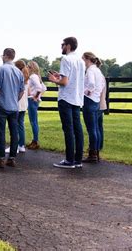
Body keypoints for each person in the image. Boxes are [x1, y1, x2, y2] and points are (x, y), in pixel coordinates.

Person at [48, 37, 85, 169]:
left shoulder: (66, 59)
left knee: (68, 129)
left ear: (68, 46)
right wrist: (60, 75)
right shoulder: (81, 61)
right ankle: (78, 160)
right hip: (77, 98)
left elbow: (64, 82)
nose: (61, 47)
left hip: (66, 98)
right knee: (78, 129)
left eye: (62, 45)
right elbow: (70, 78)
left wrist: (53, 80)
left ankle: (69, 160)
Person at [0, 48, 24, 168]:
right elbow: (22, 90)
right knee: (14, 132)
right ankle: (12, 158)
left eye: (2, 55)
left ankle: (0, 158)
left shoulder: (1, 69)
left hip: (2, 104)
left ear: (6, 56)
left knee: (1, 132)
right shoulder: (19, 72)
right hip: (14, 106)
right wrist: (15, 100)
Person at [81, 52, 105, 163]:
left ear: (87, 59)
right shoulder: (98, 70)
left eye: (83, 59)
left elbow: (91, 84)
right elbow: (101, 85)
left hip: (89, 100)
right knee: (96, 128)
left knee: (91, 128)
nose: (82, 61)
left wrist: (86, 92)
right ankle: (96, 152)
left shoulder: (90, 70)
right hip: (96, 101)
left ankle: (92, 154)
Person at [6, 60, 28, 154]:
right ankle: (21, 145)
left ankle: (14, 147)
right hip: (24, 104)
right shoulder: (26, 77)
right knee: (21, 125)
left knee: (14, 126)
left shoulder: (18, 76)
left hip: (17, 103)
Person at [26, 60, 45, 150]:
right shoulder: (37, 76)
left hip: (32, 100)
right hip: (34, 100)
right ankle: (34, 140)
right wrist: (39, 96)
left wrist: (36, 96)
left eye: (28, 66)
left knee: (33, 122)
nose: (26, 68)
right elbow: (44, 88)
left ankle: (35, 142)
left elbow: (40, 88)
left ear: (31, 68)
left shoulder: (33, 76)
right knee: (34, 122)